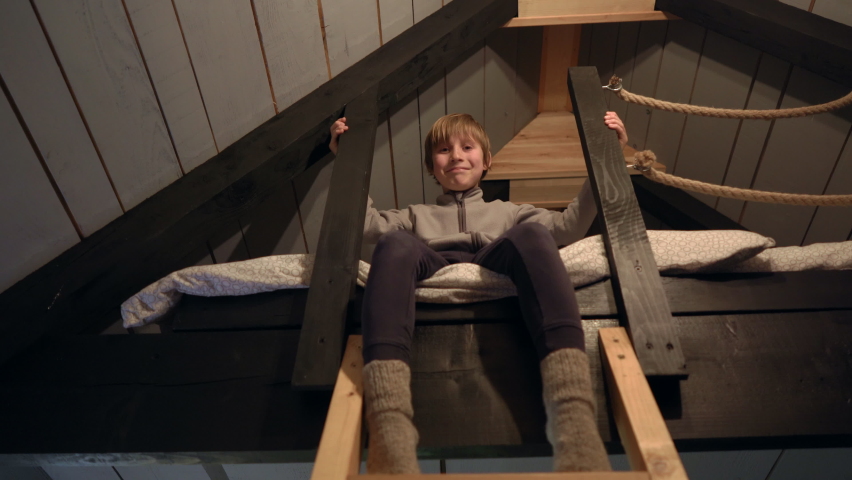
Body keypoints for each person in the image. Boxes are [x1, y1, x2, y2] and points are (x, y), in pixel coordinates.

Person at [329, 111, 628, 474]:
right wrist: (344, 161)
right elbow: (364, 226)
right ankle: (389, 431)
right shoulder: (413, 215)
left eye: (467, 147)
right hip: (432, 258)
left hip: (495, 254)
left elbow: (566, 227)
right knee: (393, 243)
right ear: (431, 167)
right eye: (443, 149)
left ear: (486, 161)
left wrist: (607, 159)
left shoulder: (511, 212)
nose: (455, 155)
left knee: (534, 235)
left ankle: (574, 420)